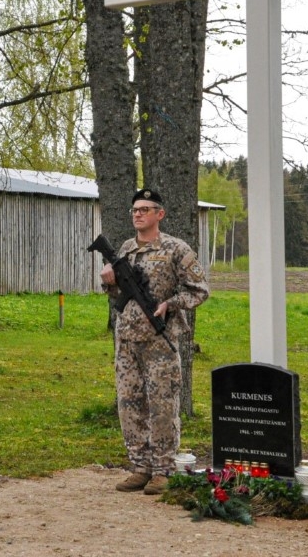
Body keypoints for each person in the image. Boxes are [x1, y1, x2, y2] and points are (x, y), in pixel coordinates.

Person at [100, 189, 209, 496]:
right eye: (135, 209)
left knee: (163, 405)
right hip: (127, 341)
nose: (138, 214)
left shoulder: (176, 249)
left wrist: (170, 304)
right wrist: (108, 281)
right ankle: (140, 467)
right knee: (129, 403)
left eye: (145, 209)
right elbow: (115, 294)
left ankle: (163, 469)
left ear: (159, 214)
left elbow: (200, 290)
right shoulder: (125, 249)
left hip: (160, 341)